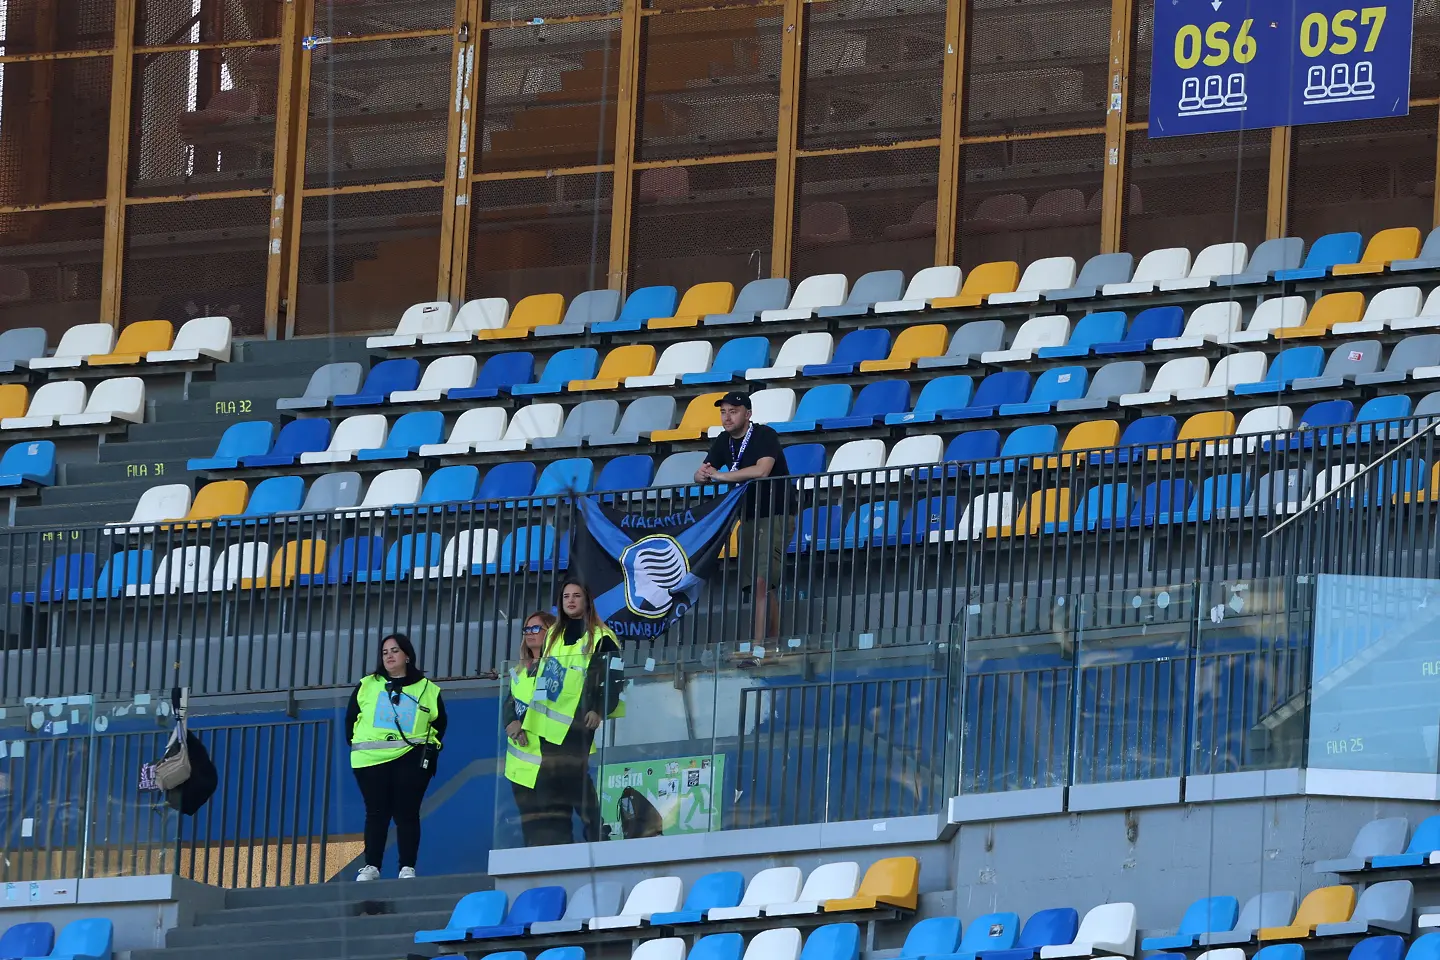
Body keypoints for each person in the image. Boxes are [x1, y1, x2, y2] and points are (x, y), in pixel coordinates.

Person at [511, 580, 625, 845]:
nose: (571, 601)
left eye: (576, 596)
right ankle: (559, 841)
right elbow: (543, 676)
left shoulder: (601, 636)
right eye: (566, 596)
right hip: (546, 722)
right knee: (553, 784)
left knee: (575, 780)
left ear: (587, 601)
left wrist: (599, 709)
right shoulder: (553, 635)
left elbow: (615, 676)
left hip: (579, 721)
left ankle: (596, 833)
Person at [695, 390, 793, 643]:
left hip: (775, 512)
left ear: (748, 414)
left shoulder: (764, 435)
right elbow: (701, 474)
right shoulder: (723, 440)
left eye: (733, 411)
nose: (727, 417)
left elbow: (762, 470)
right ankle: (771, 640)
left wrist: (722, 476)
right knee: (760, 584)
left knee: (762, 580)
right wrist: (704, 474)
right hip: (748, 516)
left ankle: (758, 646)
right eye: (723, 412)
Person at [345, 633, 446, 880]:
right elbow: (350, 720)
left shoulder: (427, 688)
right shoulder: (367, 684)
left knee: (406, 812)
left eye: (395, 650)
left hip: (410, 757)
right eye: (385, 652)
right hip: (370, 760)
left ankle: (407, 867)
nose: (389, 655)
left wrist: (427, 751)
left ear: (407, 655)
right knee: (376, 812)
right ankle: (372, 866)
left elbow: (440, 723)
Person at [501, 609, 555, 846]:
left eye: (536, 628)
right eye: (527, 629)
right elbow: (509, 703)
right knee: (529, 824)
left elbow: (551, 703)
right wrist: (511, 722)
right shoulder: (519, 670)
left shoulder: (558, 666)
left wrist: (524, 724)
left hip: (550, 760)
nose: (530, 633)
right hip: (521, 763)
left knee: (551, 825)